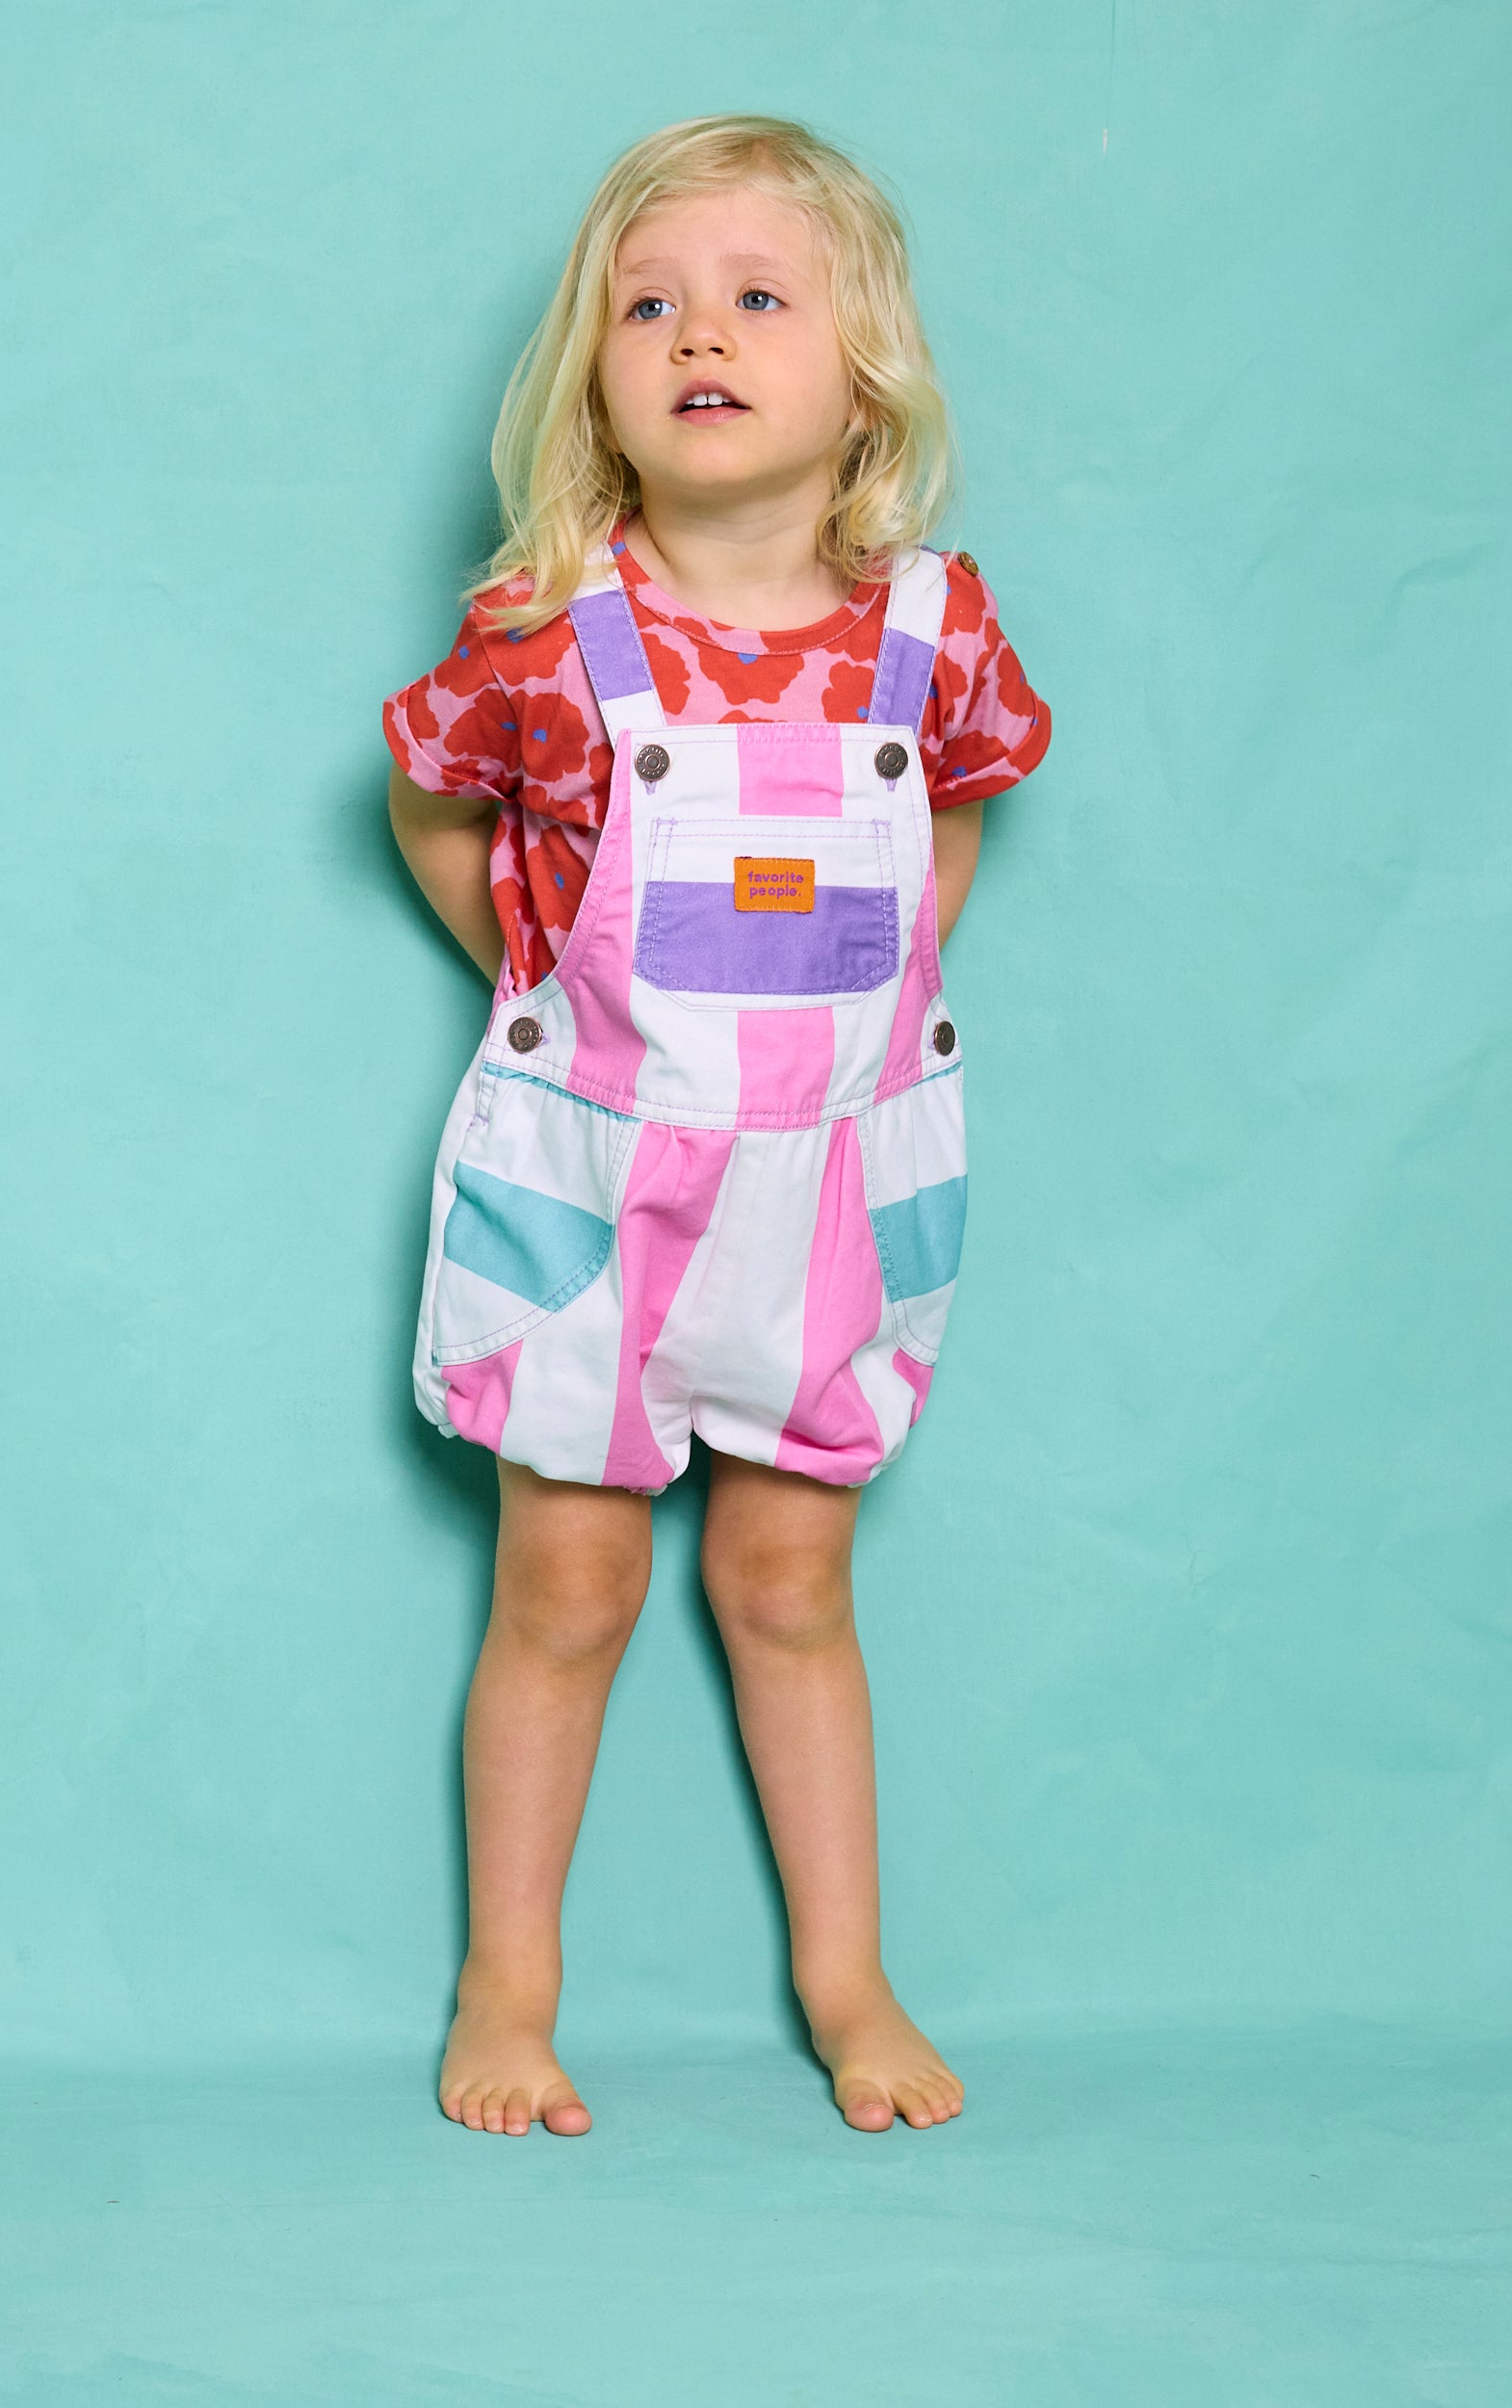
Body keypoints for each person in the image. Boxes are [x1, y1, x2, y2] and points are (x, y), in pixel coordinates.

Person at [384, 114, 1051, 2138]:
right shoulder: (546, 630)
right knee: (565, 1591)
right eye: (650, 305)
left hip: (829, 1186)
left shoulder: (930, 629)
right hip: (597, 1184)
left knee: (787, 1585)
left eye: (760, 298)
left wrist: (889, 976)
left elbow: (955, 809)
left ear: (866, 371)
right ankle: (510, 1981)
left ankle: (851, 1978)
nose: (700, 335)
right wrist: (536, 978)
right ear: (593, 374)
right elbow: (431, 801)